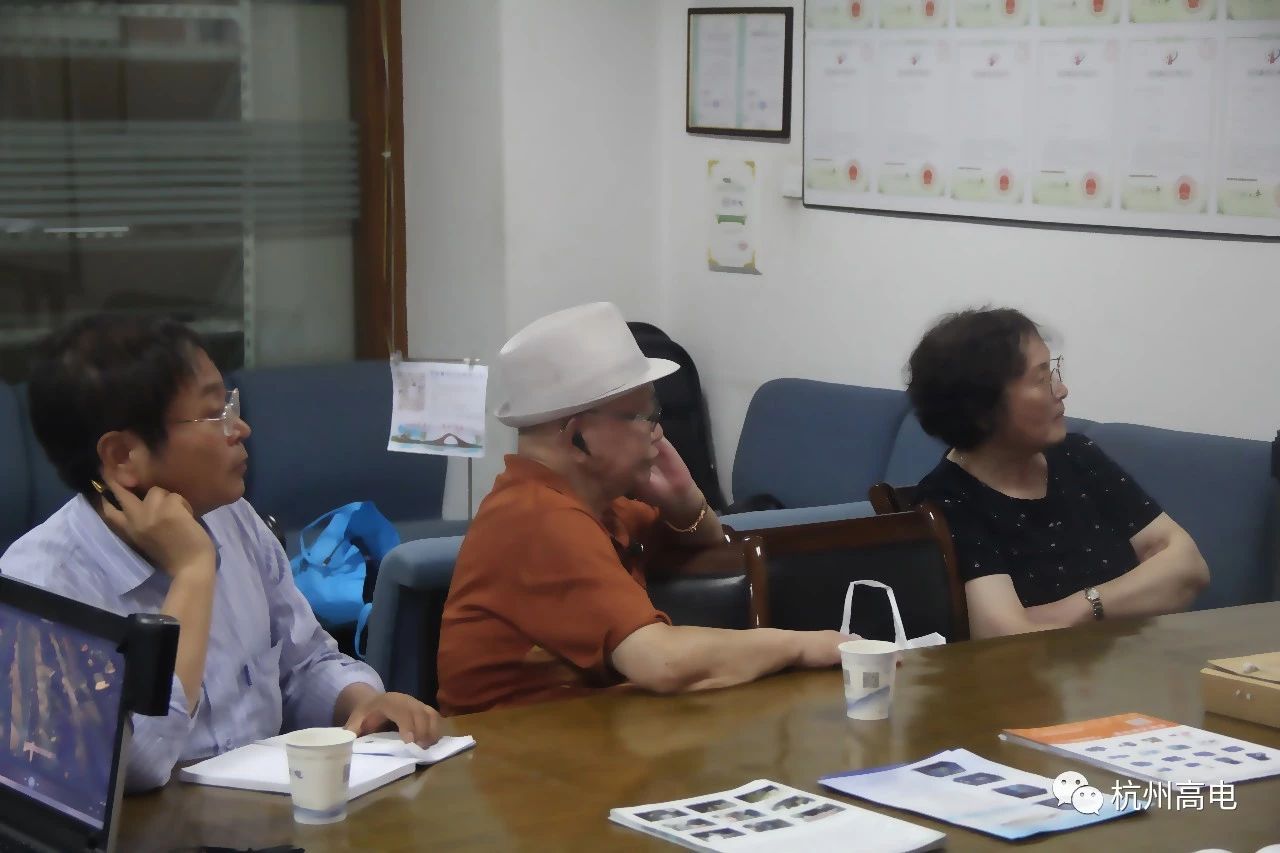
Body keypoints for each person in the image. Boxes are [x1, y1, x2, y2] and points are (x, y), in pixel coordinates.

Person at [0, 315, 441, 791]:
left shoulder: (234, 519)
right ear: (123, 457)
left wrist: (361, 701)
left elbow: (305, 663)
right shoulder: (42, 586)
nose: (241, 428)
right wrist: (192, 574)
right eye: (215, 414)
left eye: (230, 405)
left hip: (266, 815)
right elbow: (137, 763)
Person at [436, 302, 846, 715]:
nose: (658, 432)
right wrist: (803, 645)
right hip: (513, 745)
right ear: (579, 437)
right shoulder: (537, 519)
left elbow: (708, 542)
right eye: (645, 416)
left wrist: (685, 499)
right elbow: (662, 662)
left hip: (586, 729)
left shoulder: (598, 507)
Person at [907, 308, 1209, 640]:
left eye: (1054, 371)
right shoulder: (950, 501)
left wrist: (1085, 606)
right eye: (1041, 379)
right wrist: (1138, 594)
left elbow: (1189, 567)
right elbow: (1006, 638)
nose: (1061, 389)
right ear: (981, 410)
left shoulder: (1077, 456)